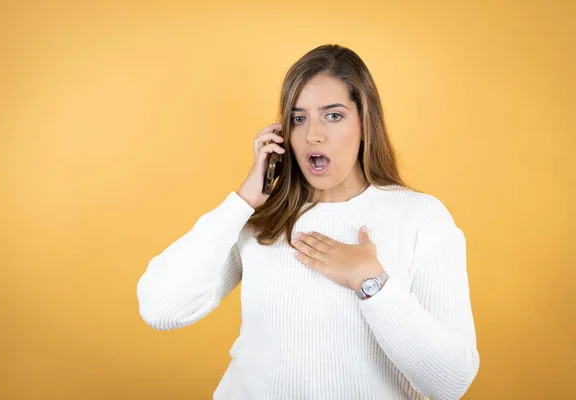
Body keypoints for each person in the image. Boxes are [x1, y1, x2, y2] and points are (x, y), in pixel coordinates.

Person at [136, 44, 480, 400]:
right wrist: (242, 202)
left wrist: (372, 283)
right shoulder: (262, 221)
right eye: (298, 118)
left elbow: (450, 384)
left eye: (333, 115)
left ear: (365, 123)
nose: (313, 134)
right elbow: (161, 308)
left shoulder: (420, 217)